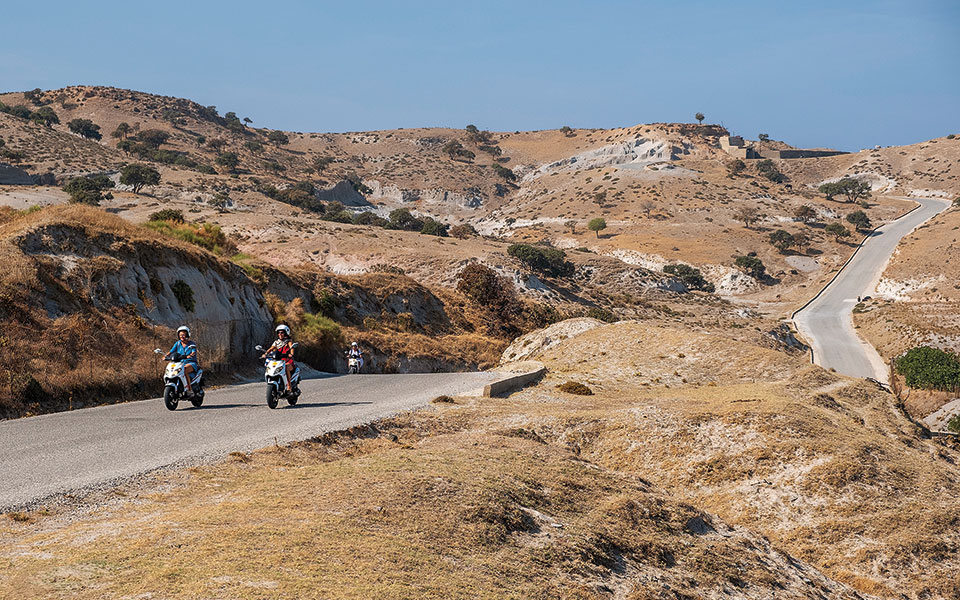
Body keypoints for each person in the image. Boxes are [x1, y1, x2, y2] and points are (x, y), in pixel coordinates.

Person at [165, 325, 199, 396]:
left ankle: (189, 390)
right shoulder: (177, 343)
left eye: (183, 335)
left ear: (187, 334)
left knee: (185, 369)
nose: (182, 337)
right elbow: (171, 351)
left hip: (191, 363)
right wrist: (165, 356)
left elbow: (193, 351)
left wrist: (190, 355)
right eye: (180, 335)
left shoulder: (191, 344)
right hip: (180, 362)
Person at [261, 324, 296, 392]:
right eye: (278, 332)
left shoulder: (288, 341)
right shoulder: (277, 342)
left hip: (287, 361)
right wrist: (265, 354)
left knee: (285, 367)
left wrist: (291, 353)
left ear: (286, 333)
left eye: (282, 332)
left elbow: (292, 348)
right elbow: (271, 348)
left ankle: (289, 385)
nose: (280, 334)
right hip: (278, 360)